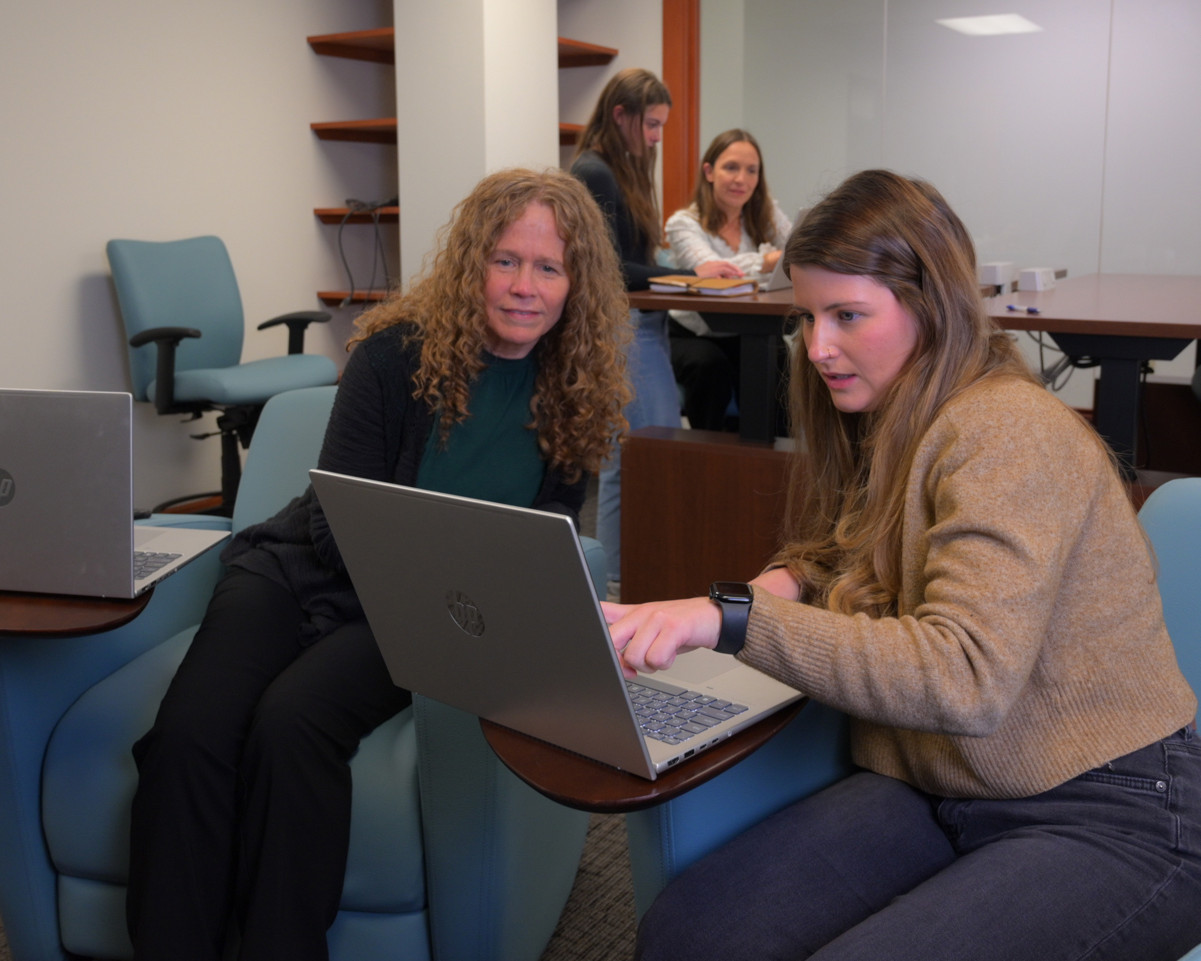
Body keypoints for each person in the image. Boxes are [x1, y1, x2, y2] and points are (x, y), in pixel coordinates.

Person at [605, 169, 1201, 961]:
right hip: (944, 780)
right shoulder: (886, 408)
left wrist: (735, 618)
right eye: (808, 315)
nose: (817, 347)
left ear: (928, 304)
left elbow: (964, 676)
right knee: (689, 934)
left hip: (1106, 804)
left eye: (847, 315)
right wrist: (766, 589)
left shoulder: (1007, 432)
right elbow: (846, 545)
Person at [126, 167, 631, 961]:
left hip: (422, 612)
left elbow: (538, 547)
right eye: (505, 260)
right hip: (300, 568)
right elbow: (336, 516)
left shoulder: (577, 391)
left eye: (548, 267)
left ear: (576, 284)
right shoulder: (394, 353)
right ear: (472, 263)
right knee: (190, 731)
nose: (524, 286)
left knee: (291, 725)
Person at [571, 68, 740, 594]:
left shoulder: (620, 171)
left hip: (644, 325)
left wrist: (678, 269)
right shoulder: (595, 172)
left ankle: (622, 579)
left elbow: (636, 259)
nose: (657, 137)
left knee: (631, 458)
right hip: (625, 329)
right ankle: (631, 579)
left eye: (662, 126)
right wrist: (693, 274)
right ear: (619, 115)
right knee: (648, 456)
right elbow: (613, 269)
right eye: (651, 124)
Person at [665, 128, 792, 430]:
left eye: (752, 171)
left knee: (777, 356)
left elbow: (799, 247)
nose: (742, 180)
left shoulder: (765, 213)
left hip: (746, 329)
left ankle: (775, 459)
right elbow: (712, 272)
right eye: (731, 167)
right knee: (710, 367)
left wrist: (780, 257)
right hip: (692, 333)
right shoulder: (683, 223)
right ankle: (712, 463)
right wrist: (767, 260)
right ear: (709, 172)